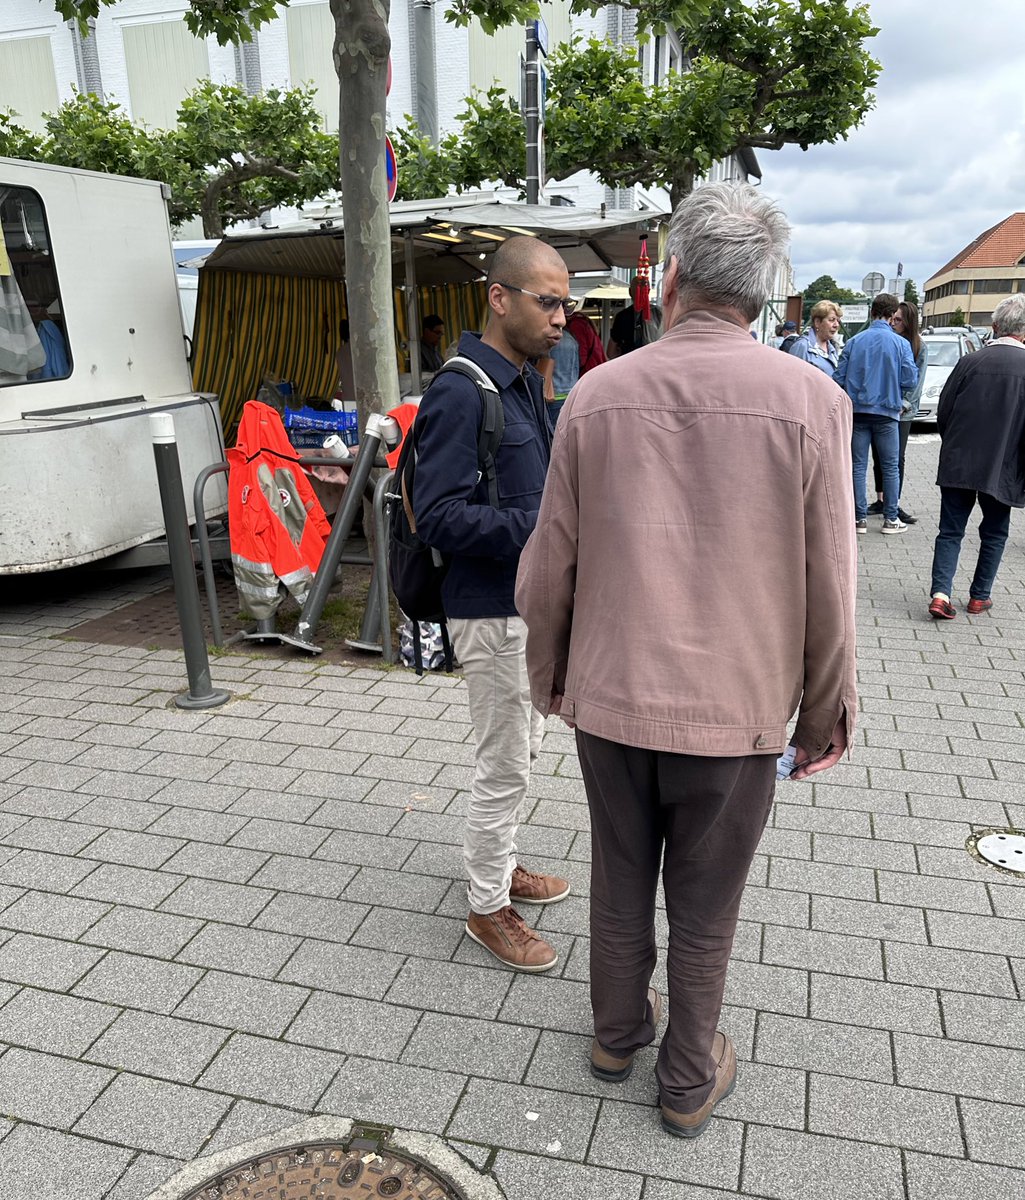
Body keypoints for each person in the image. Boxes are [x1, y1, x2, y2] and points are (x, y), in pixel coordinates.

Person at [516, 182, 857, 1139]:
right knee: (705, 906)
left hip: (612, 696)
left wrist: (549, 673)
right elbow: (830, 579)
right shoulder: (812, 402)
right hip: (735, 712)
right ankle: (684, 1082)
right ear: (764, 293)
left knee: (620, 874)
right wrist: (826, 711)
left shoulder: (595, 393)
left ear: (670, 278)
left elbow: (549, 567)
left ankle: (614, 1034)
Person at [412, 237, 573, 972]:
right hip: (487, 605)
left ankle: (501, 865)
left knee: (524, 748)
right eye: (548, 300)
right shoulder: (461, 389)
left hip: (525, 602)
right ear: (499, 297)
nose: (562, 316)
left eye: (566, 302)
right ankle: (486, 908)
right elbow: (435, 514)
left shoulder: (521, 382)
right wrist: (545, 528)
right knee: (504, 761)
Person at [927, 293, 1025, 619]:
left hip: (960, 460)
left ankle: (940, 594)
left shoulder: (970, 362)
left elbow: (945, 410)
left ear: (995, 326)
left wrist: (952, 443)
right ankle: (979, 596)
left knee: (951, 530)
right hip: (1004, 464)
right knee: (995, 532)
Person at [834, 293, 918, 535]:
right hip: (888, 413)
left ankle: (858, 519)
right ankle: (891, 519)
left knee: (857, 466)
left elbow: (838, 378)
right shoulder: (900, 344)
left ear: (872, 312)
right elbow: (910, 378)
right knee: (890, 467)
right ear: (893, 316)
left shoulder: (854, 342)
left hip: (858, 412)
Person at [868, 300, 927, 523]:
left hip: (903, 411)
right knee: (878, 455)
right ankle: (881, 499)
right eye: (893, 318)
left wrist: (903, 405)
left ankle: (894, 502)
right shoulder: (889, 341)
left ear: (909, 322)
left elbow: (916, 382)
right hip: (885, 407)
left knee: (895, 458)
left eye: (899, 320)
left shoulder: (919, 346)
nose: (894, 323)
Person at [537, 310, 606, 423]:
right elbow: (579, 363)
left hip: (551, 395)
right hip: (571, 394)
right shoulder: (571, 338)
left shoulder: (549, 340)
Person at [607, 276, 662, 358]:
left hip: (629, 365)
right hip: (655, 363)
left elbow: (611, 353)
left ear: (629, 292)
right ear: (648, 291)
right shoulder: (659, 313)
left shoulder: (622, 317)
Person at [788, 300, 841, 377]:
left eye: (838, 321)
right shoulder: (802, 346)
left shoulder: (832, 349)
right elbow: (792, 379)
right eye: (831, 320)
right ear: (817, 322)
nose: (836, 325)